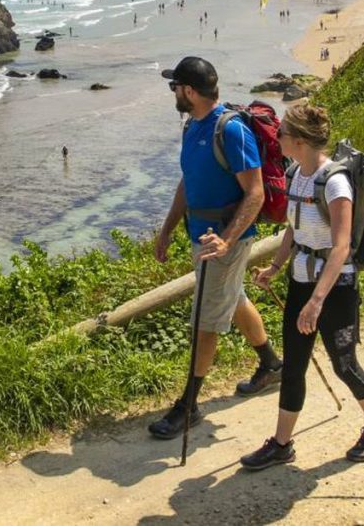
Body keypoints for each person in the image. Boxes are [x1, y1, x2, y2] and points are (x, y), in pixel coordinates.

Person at [239, 101, 364, 470]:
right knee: (293, 366)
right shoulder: (295, 174)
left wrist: (316, 302)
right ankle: (281, 444)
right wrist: (276, 266)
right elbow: (295, 226)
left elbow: (340, 247)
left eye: (284, 132)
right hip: (300, 281)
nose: (278, 136)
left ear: (301, 141)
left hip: (334, 288)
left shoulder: (335, 183)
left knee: (345, 365)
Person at [150, 56, 283, 440]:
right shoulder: (192, 126)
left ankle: (188, 406)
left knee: (206, 321)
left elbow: (255, 193)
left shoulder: (231, 130)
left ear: (189, 91)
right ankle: (272, 365)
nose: (173, 92)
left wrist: (227, 240)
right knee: (234, 298)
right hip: (201, 237)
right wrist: (167, 229)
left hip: (224, 243)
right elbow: (188, 182)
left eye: (175, 86)